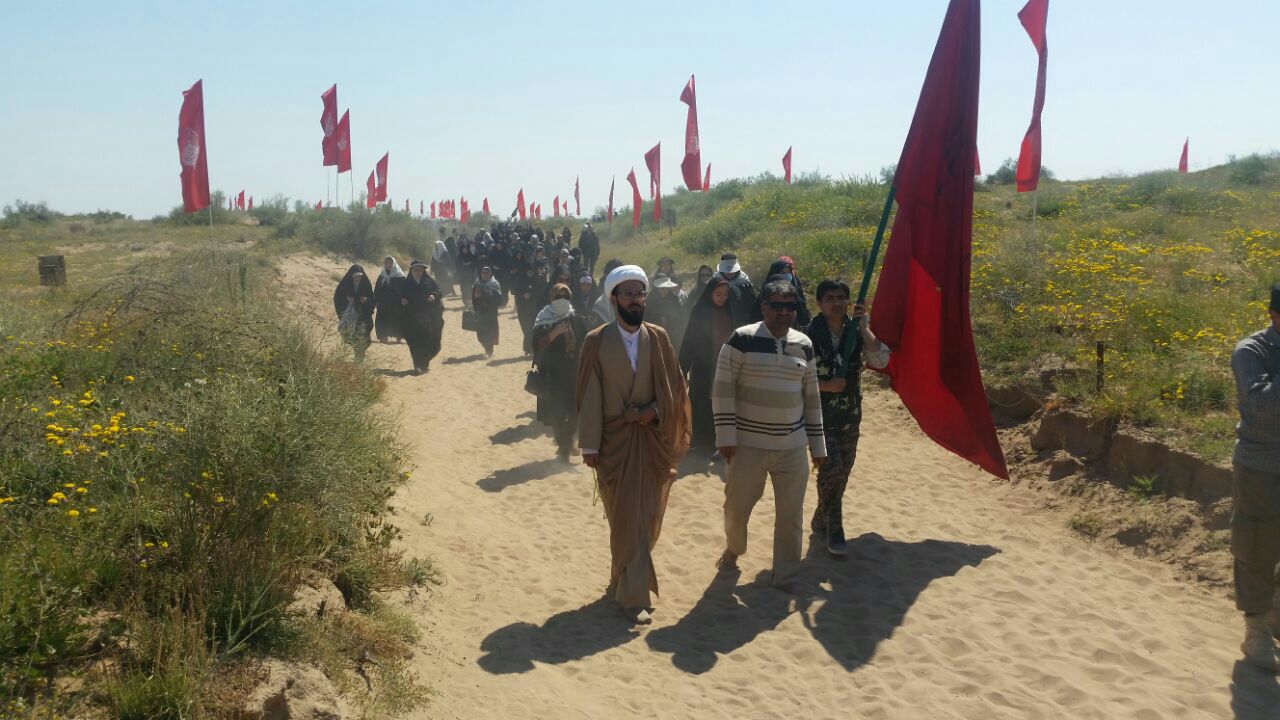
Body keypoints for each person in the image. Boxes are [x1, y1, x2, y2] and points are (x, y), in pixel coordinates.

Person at [577, 265, 691, 624]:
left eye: (639, 293)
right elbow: (589, 395)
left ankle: (622, 580)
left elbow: (675, 390)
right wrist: (590, 445)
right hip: (613, 444)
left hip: (651, 438)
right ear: (613, 299)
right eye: (627, 294)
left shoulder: (658, 338)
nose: (635, 300)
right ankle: (634, 597)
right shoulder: (596, 340)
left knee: (646, 516)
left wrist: (652, 411)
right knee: (623, 516)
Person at [712, 279, 826, 589]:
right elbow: (721, 390)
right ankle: (734, 550)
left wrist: (818, 446)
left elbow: (812, 397)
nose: (784, 312)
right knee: (736, 509)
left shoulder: (804, 344)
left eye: (789, 307)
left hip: (792, 447)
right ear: (764, 307)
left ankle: (786, 574)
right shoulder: (741, 340)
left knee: (790, 516)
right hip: (748, 446)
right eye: (777, 306)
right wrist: (726, 438)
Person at [802, 279, 890, 556]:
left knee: (843, 472)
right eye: (830, 298)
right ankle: (835, 529)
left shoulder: (855, 334)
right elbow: (793, 379)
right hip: (818, 417)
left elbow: (881, 360)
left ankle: (820, 517)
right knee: (832, 468)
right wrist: (825, 386)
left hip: (850, 415)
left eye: (841, 298)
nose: (837, 303)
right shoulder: (805, 337)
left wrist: (863, 327)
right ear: (819, 303)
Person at [1231, 282, 1280, 670]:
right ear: (1274, 315)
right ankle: (1256, 631)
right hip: (1263, 467)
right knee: (1257, 548)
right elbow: (1262, 405)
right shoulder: (1252, 351)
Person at [680, 276, 733, 455]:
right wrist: (683, 368)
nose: (722, 298)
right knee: (700, 400)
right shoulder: (700, 311)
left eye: (725, 294)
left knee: (718, 404)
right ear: (710, 293)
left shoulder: (728, 311)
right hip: (703, 364)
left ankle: (713, 442)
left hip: (723, 365)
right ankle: (697, 441)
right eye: (718, 294)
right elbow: (689, 341)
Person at [534, 284, 587, 461]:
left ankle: (568, 441)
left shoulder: (576, 318)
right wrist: (554, 333)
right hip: (553, 374)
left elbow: (588, 343)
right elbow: (537, 346)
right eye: (559, 296)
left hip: (574, 373)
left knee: (574, 414)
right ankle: (564, 449)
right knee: (557, 415)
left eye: (566, 296)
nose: (562, 299)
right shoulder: (544, 319)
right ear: (551, 298)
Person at [399, 260, 444, 374]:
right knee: (415, 343)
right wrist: (403, 299)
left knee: (432, 343)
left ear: (423, 271)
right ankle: (418, 365)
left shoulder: (429, 281)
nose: (418, 272)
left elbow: (439, 292)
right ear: (412, 271)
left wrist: (433, 296)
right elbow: (401, 296)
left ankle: (424, 363)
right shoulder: (407, 283)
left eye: (420, 270)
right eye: (415, 270)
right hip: (412, 318)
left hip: (429, 318)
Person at [751, 256, 811, 328]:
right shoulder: (765, 295)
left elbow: (804, 318)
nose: (786, 275)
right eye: (783, 272)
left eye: (788, 272)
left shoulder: (796, 291)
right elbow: (754, 318)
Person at [334, 265, 375, 362]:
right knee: (353, 337)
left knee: (363, 335)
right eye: (356, 276)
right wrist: (346, 300)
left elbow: (372, 300)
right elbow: (337, 298)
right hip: (350, 317)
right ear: (351, 276)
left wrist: (366, 300)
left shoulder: (366, 285)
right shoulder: (344, 285)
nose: (358, 278)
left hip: (363, 315)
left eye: (360, 276)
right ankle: (358, 356)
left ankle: (359, 356)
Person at [714, 253, 758, 326]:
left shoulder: (745, 283)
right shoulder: (714, 284)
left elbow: (752, 305)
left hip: (744, 324)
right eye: (727, 271)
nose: (729, 273)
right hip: (721, 324)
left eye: (732, 271)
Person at [647, 274, 686, 353]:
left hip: (673, 338)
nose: (665, 291)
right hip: (655, 339)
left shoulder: (674, 299)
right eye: (662, 288)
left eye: (666, 288)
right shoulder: (649, 301)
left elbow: (680, 319)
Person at [471, 266, 502, 357]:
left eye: (487, 273)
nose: (485, 275)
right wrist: (476, 297)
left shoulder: (495, 284)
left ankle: (490, 351)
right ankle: (486, 347)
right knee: (480, 334)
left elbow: (499, 300)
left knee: (490, 332)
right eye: (483, 273)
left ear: (490, 274)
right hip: (480, 311)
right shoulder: (477, 284)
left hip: (491, 312)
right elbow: (473, 299)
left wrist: (490, 294)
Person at [373, 256, 405, 343]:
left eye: (390, 262)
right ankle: (383, 336)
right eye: (387, 262)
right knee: (382, 318)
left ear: (394, 263)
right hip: (383, 302)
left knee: (397, 318)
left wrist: (403, 298)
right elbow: (377, 289)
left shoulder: (400, 276)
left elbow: (405, 289)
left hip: (396, 302)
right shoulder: (382, 275)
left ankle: (399, 337)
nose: (388, 264)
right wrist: (375, 300)